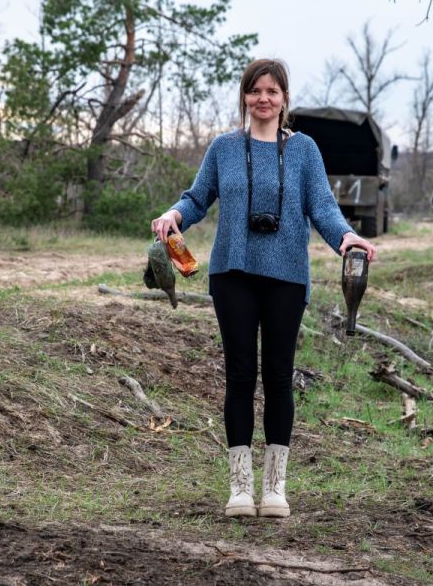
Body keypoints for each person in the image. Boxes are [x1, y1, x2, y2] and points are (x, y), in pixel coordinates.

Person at [151, 59, 376, 518]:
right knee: (239, 375)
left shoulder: (305, 150)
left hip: (287, 276)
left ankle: (274, 489)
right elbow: (197, 198)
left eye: (272, 91)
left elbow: (322, 206)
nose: (263, 99)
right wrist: (175, 214)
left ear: (284, 99)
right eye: (255, 91)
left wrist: (345, 237)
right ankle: (239, 489)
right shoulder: (223, 148)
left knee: (278, 376)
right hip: (232, 272)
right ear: (244, 97)